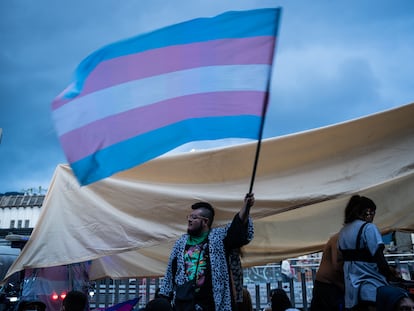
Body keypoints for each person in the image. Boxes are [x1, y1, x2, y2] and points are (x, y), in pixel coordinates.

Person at [159, 193, 255, 311]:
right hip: (183, 303)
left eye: (194, 217)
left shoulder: (219, 238)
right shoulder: (181, 243)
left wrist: (246, 207)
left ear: (205, 221)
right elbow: (170, 272)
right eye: (189, 216)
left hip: (211, 303)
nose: (189, 220)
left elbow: (237, 228)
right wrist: (164, 298)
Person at [338, 195, 396, 311]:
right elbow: (378, 256)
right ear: (367, 212)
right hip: (371, 286)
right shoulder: (368, 228)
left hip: (351, 291)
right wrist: (390, 275)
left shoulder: (343, 232)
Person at [310, 232, 345, 311]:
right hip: (327, 285)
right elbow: (337, 265)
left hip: (331, 285)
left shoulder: (340, 238)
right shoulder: (338, 238)